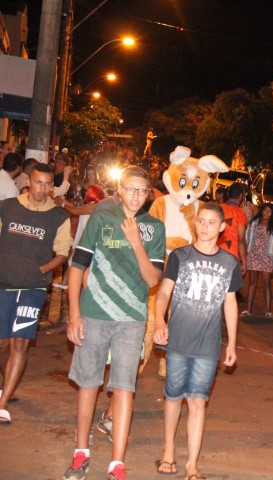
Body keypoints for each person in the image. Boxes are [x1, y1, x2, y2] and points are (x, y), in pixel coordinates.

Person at [64, 166, 166, 480]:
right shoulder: (101, 218)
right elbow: (77, 267)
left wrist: (136, 242)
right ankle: (81, 452)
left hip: (131, 320)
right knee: (88, 384)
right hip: (94, 313)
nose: (135, 195)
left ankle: (116, 463)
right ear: (119, 190)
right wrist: (74, 314)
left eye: (142, 190)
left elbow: (153, 279)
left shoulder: (154, 228)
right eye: (130, 189)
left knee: (124, 388)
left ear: (148, 194)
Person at [153, 203, 242, 479]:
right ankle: (169, 450)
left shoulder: (230, 263)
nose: (205, 227)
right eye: (201, 221)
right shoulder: (180, 256)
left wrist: (231, 343)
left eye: (211, 222)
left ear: (222, 227)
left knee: (198, 401)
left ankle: (192, 464)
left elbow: (230, 303)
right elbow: (164, 292)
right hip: (178, 340)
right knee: (173, 397)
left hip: (207, 345)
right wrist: (159, 321)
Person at [0, 164, 73, 425]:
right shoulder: (7, 207)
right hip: (3, 284)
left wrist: (41, 269)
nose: (43, 189)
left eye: (48, 184)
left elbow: (63, 253)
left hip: (33, 288)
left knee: (19, 342)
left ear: (53, 186)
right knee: (3, 343)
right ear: (28, 182)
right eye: (38, 182)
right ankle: (5, 384)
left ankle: (3, 403)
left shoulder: (58, 216)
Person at [242, 203, 273, 318]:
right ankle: (248, 309)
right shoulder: (253, 224)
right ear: (261, 211)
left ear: (272, 214)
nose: (266, 213)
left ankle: (269, 310)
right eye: (265, 210)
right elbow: (246, 240)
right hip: (253, 256)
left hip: (267, 257)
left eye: (269, 211)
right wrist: (244, 255)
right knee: (252, 282)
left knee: (266, 283)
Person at [217, 182, 248, 272]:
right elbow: (241, 240)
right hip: (232, 255)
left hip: (215, 252)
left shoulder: (218, 208)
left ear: (227, 194)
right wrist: (244, 261)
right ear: (241, 196)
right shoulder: (240, 213)